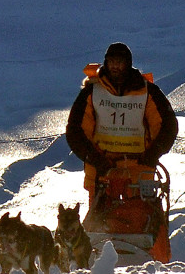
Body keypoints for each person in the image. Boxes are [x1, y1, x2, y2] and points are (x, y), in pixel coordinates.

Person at [66, 42, 178, 262]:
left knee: (142, 224)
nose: (116, 66)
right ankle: (96, 266)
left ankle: (151, 265)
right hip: (102, 174)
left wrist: (152, 154)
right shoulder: (92, 93)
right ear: (106, 63)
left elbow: (166, 126)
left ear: (129, 64)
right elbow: (76, 132)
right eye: (112, 62)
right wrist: (95, 159)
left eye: (120, 62)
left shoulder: (147, 92)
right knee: (100, 228)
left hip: (138, 174)